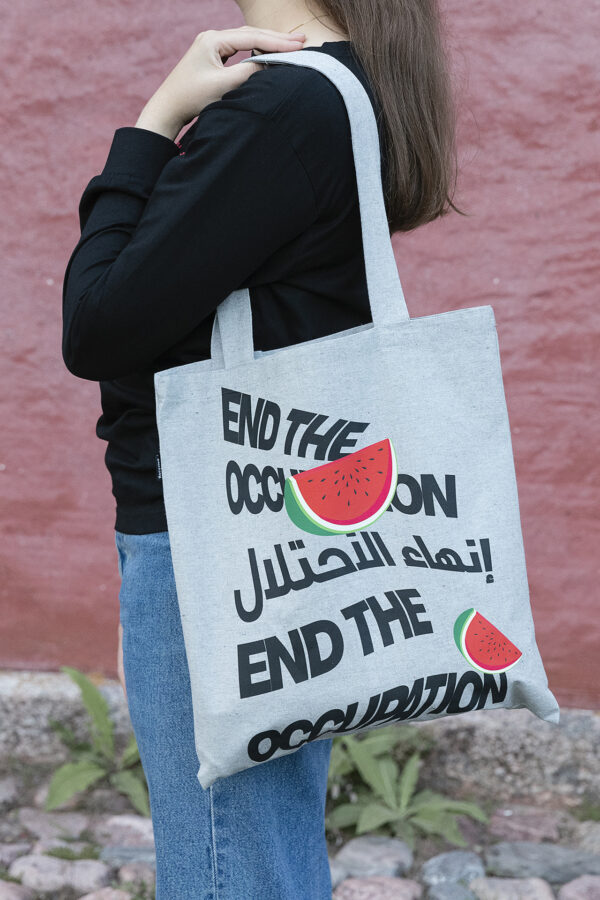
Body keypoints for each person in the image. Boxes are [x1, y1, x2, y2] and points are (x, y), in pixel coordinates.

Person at [61, 1, 461, 897]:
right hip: (279, 535)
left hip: (213, 543)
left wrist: (153, 124)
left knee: (226, 863)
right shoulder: (350, 87)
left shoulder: (277, 112)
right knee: (265, 859)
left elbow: (97, 326)